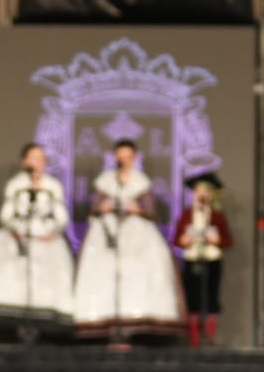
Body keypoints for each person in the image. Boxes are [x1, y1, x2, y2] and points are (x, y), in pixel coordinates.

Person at [70, 140, 186, 338]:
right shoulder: (106, 179)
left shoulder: (141, 180)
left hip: (136, 230)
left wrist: (138, 209)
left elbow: (151, 211)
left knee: (136, 271)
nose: (124, 160)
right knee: (104, 270)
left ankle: (134, 318)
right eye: (120, 156)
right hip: (108, 230)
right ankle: (103, 319)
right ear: (115, 156)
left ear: (134, 157)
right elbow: (95, 207)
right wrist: (102, 208)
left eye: (128, 156)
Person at [0, 142, 75, 328]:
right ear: (24, 161)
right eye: (33, 158)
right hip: (18, 235)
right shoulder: (16, 184)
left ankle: (45, 322)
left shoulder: (53, 185)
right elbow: (6, 214)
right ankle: (8, 321)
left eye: (41, 158)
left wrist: (51, 231)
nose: (37, 162)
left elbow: (61, 216)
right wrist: (17, 232)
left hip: (45, 236)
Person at [173, 171, 234, 346]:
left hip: (212, 259)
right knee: (193, 299)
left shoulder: (216, 216)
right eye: (198, 191)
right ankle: (193, 340)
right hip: (192, 259)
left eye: (206, 190)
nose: (201, 194)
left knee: (211, 298)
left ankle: (209, 338)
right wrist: (184, 240)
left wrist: (218, 240)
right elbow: (176, 240)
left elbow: (228, 240)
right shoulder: (186, 215)